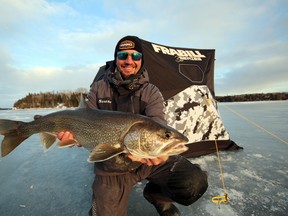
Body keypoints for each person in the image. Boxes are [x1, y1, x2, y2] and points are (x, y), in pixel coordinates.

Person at [58, 36, 208, 216]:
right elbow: (84, 118)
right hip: (111, 166)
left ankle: (156, 196)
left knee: (193, 183)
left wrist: (162, 150)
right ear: (116, 59)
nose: (129, 61)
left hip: (147, 160)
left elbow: (157, 121)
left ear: (141, 60)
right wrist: (74, 135)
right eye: (123, 55)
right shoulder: (98, 89)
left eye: (135, 56)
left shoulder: (150, 91)